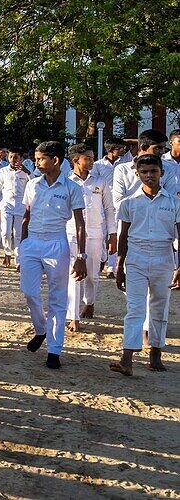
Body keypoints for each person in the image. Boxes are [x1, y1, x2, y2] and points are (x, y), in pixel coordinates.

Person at [109, 154, 180, 376]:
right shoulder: (129, 203)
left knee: (159, 307)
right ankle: (127, 358)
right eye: (145, 172)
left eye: (153, 171)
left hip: (164, 258)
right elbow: (123, 236)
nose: (149, 176)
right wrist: (119, 266)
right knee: (135, 309)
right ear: (137, 174)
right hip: (136, 259)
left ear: (162, 172)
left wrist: (179, 267)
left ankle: (155, 354)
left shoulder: (174, 203)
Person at [19, 141, 87, 369]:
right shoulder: (32, 185)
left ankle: (54, 350)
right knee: (29, 292)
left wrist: (81, 256)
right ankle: (41, 330)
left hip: (57, 243)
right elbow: (26, 217)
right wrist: (22, 247)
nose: (36, 163)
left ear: (55, 160)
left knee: (58, 298)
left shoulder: (71, 188)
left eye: (40, 159)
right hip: (32, 243)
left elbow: (79, 223)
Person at [65, 144, 115, 330]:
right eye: (87, 158)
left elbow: (109, 209)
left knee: (93, 276)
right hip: (71, 233)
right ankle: (73, 316)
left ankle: (90, 302)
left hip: (95, 233)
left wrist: (113, 235)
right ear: (76, 160)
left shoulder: (100, 182)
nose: (92, 161)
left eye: (93, 157)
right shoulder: (67, 181)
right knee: (74, 275)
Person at [0, 148, 31, 266]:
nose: (13, 160)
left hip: (21, 206)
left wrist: (28, 172)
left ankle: (18, 259)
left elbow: (34, 185)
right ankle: (7, 252)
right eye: (10, 157)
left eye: (16, 157)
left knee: (18, 233)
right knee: (5, 232)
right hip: (6, 205)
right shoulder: (3, 171)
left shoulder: (26, 172)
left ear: (21, 159)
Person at [113, 129, 174, 203]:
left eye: (164, 148)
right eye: (158, 148)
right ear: (144, 147)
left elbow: (170, 199)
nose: (162, 152)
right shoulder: (122, 169)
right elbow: (118, 202)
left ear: (162, 172)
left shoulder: (169, 168)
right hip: (131, 213)